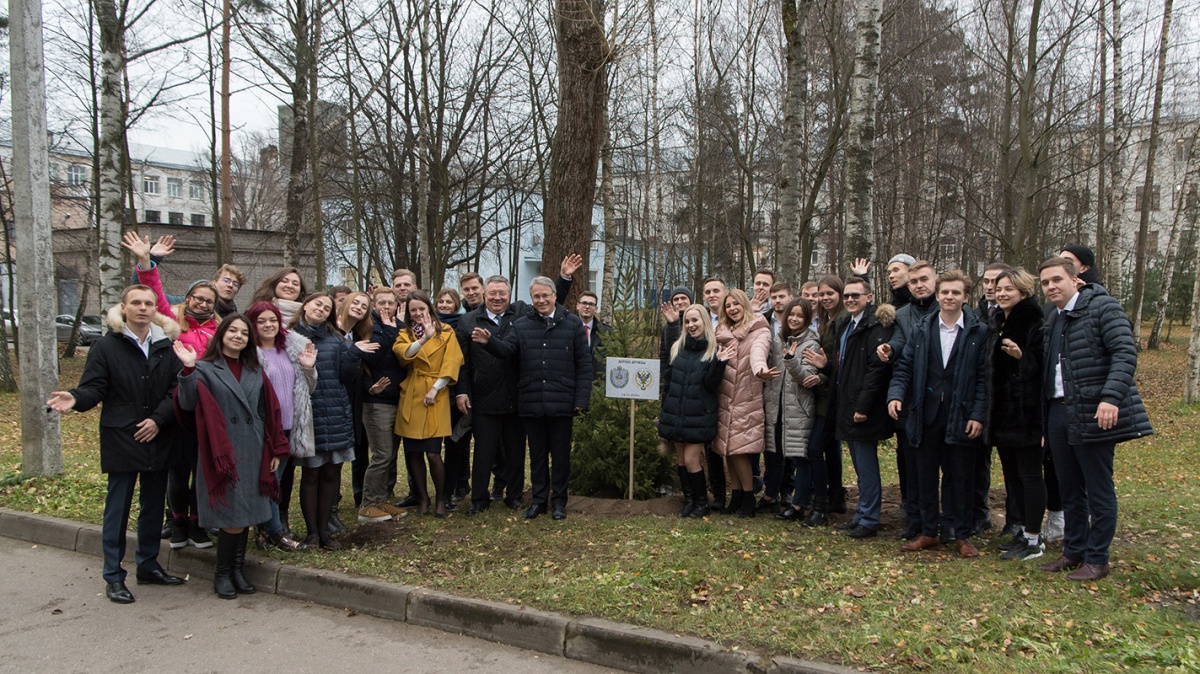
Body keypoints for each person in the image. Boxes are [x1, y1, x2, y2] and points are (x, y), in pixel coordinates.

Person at [47, 284, 186, 604]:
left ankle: (148, 565)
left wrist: (159, 420)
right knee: (118, 509)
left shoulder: (168, 345)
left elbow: (174, 390)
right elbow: (93, 388)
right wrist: (76, 398)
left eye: (148, 303)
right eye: (135, 302)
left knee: (152, 507)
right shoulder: (106, 347)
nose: (142, 308)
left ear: (155, 310)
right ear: (123, 308)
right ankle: (113, 575)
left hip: (159, 436)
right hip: (122, 438)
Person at [1036, 257, 1152, 581]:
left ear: (1076, 280)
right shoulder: (1054, 318)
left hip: (1094, 410)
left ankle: (1097, 559)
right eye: (1045, 283)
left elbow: (1125, 353)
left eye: (1057, 279)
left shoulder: (1104, 308)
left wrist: (1110, 398)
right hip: (1059, 412)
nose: (1051, 287)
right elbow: (1051, 373)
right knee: (1069, 487)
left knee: (1098, 488)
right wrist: (1045, 423)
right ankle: (1074, 551)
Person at [173, 315, 291, 599]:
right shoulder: (204, 368)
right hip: (222, 452)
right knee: (231, 516)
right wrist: (188, 369)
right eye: (232, 331)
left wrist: (275, 449)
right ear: (222, 334)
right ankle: (222, 573)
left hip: (253, 449)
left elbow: (269, 412)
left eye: (243, 333)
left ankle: (237, 570)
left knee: (246, 513)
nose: (238, 336)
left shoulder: (254, 369)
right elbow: (187, 404)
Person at [121, 233, 222, 549]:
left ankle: (196, 522)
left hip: (209, 407)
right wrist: (146, 261)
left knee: (201, 468)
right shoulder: (173, 322)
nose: (202, 303)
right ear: (189, 298)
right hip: (179, 405)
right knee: (178, 468)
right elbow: (153, 293)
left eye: (208, 300)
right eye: (197, 298)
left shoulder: (220, 329)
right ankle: (177, 521)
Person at [887, 270, 989, 558]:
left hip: (962, 415)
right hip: (925, 415)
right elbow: (905, 366)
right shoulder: (922, 329)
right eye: (945, 292)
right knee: (925, 476)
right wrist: (895, 395)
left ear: (965, 297)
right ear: (938, 294)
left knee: (960, 478)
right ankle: (929, 532)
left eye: (955, 293)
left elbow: (984, 378)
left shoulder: (978, 331)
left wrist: (978, 415)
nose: (949, 297)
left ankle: (962, 535)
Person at [472, 276, 591, 521]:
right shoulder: (522, 325)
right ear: (532, 298)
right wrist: (489, 342)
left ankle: (559, 502)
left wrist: (581, 398)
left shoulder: (572, 324)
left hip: (562, 402)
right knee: (537, 457)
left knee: (560, 457)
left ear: (554, 296)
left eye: (545, 295)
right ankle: (539, 501)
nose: (541, 300)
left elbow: (584, 365)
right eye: (536, 296)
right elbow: (507, 350)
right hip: (531, 401)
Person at [290, 292, 374, 549]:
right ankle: (312, 533)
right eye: (318, 304)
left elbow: (347, 377)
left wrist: (354, 353)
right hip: (309, 414)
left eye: (326, 307)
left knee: (330, 473)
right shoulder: (290, 337)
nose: (321, 309)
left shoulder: (336, 340)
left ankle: (325, 532)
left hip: (336, 412)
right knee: (311, 474)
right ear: (306, 305)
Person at [985, 269, 1049, 561]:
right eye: (999, 289)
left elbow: (1043, 367)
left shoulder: (1035, 321)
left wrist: (1022, 357)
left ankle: (1035, 539)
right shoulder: (1000, 321)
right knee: (1012, 477)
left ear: (1023, 292)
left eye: (1008, 289)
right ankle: (1023, 532)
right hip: (1004, 414)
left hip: (1027, 413)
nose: (1001, 294)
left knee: (1030, 476)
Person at [246, 301, 315, 551]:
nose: (268, 325)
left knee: (275, 480)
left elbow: (309, 387)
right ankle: (273, 531)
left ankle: (266, 529)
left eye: (272, 320)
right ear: (252, 324)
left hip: (289, 426)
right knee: (268, 480)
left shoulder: (288, 349)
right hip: (264, 429)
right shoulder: (249, 353)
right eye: (261, 321)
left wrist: (308, 369)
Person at [877, 261, 938, 540]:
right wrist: (890, 349)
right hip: (912, 399)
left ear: (935, 281)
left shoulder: (950, 310)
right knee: (912, 463)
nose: (918, 285)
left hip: (944, 400)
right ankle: (915, 519)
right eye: (913, 282)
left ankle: (950, 520)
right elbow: (901, 345)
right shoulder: (903, 315)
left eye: (924, 279)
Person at [830, 278, 894, 538]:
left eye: (855, 295)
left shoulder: (875, 326)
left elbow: (876, 370)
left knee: (867, 467)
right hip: (847, 403)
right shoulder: (846, 324)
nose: (849, 300)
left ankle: (869, 519)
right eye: (846, 296)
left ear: (869, 297)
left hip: (863, 408)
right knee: (857, 464)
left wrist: (863, 406)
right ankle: (860, 514)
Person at [394, 291, 465, 518]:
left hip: (437, 393)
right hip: (413, 393)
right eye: (413, 310)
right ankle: (422, 498)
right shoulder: (405, 333)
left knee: (434, 453)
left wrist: (436, 388)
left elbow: (452, 362)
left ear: (429, 308)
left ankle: (441, 499)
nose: (417, 314)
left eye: (421, 309)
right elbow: (403, 355)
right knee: (413, 452)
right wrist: (424, 338)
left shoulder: (446, 331)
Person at [659, 304, 731, 518]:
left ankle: (702, 503)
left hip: (698, 415)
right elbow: (669, 381)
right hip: (676, 413)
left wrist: (720, 363)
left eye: (695, 320)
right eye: (687, 321)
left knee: (691, 460)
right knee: (681, 460)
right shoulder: (678, 348)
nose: (691, 325)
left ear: (705, 322)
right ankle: (689, 501)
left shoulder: (712, 350)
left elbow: (711, 385)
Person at [713, 288, 774, 518]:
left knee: (739, 450)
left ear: (745, 305)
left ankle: (748, 496)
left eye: (736, 304)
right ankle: (736, 494)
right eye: (728, 306)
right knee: (727, 450)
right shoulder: (722, 332)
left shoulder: (759, 330)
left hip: (745, 398)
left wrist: (761, 369)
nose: (732, 309)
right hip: (725, 397)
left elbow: (759, 353)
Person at [766, 299, 822, 521]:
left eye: (800, 316)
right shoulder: (778, 340)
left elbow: (806, 378)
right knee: (777, 453)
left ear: (807, 319)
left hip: (798, 408)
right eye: (792, 315)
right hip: (777, 407)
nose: (795, 319)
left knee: (800, 457)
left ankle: (798, 505)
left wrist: (790, 360)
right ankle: (774, 496)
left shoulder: (811, 343)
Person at [357, 288, 408, 522]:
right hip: (377, 402)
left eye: (391, 302)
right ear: (374, 305)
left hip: (397, 398)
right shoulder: (368, 326)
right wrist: (389, 329)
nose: (386, 306)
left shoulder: (400, 324)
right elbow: (372, 356)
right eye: (382, 303)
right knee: (382, 454)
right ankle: (367, 505)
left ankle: (381, 500)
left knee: (390, 455)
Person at [813, 275, 849, 514]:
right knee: (830, 448)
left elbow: (839, 361)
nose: (825, 298)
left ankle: (820, 503)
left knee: (814, 449)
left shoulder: (843, 321)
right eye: (822, 294)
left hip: (834, 395)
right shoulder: (827, 320)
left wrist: (823, 372)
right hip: (826, 391)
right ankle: (836, 495)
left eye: (830, 294)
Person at [337, 291, 374, 520]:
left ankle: (360, 495)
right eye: (356, 303)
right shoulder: (333, 330)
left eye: (364, 306)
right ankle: (331, 502)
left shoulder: (357, 334)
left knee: (359, 446)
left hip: (355, 399)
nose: (359, 307)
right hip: (335, 400)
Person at [758, 281, 795, 512]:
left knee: (788, 446)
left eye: (782, 296)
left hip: (792, 391)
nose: (778, 301)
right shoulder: (763, 321)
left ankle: (786, 491)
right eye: (774, 297)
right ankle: (770, 490)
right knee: (771, 445)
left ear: (790, 297)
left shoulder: (796, 321)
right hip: (768, 388)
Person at [699, 276, 729, 509]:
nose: (712, 295)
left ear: (725, 292)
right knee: (712, 447)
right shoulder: (701, 320)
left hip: (734, 388)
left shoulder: (734, 316)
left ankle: (743, 491)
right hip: (708, 388)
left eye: (716, 290)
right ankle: (718, 495)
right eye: (707, 291)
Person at [576, 290, 611, 382]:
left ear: (596, 308)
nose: (587, 307)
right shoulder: (568, 329)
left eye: (591, 304)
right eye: (584, 303)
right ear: (577, 306)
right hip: (574, 383)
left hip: (598, 384)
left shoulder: (606, 332)